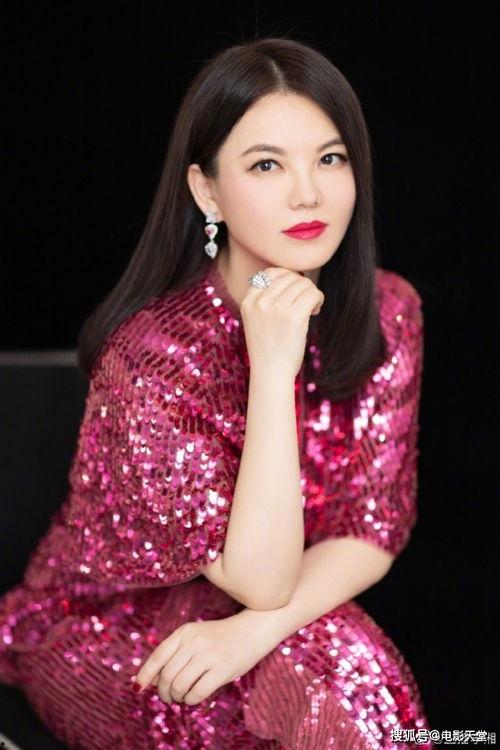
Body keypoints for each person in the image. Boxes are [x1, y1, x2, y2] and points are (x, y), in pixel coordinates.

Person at [0, 36, 432, 749]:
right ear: (207, 191)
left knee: (346, 671)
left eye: (330, 159)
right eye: (267, 165)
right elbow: (260, 578)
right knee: (246, 706)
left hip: (268, 612)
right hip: (107, 623)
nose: (308, 193)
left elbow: (370, 529)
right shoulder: (152, 356)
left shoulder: (389, 311)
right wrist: (272, 368)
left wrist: (251, 634)